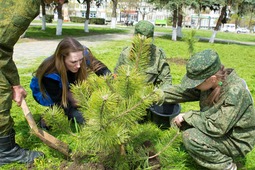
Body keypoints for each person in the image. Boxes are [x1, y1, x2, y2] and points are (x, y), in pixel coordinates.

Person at [159, 49, 255, 169]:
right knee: (181, 124)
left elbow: (218, 127)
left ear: (212, 78)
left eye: (196, 82)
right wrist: (155, 95)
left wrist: (187, 116)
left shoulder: (235, 91)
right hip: (222, 129)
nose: (194, 85)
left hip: (236, 139)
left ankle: (227, 166)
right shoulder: (215, 83)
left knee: (191, 136)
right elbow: (182, 92)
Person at [0, 0, 61, 166]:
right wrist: (12, 84)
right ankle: (6, 152)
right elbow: (1, 47)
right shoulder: (26, 4)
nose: (62, 2)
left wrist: (15, 83)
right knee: (1, 92)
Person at [30, 37, 111, 126]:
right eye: (73, 62)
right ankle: (47, 117)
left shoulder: (79, 53)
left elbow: (98, 67)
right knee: (72, 103)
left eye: (80, 60)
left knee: (82, 97)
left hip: (68, 81)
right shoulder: (50, 74)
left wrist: (113, 81)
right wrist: (87, 121)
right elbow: (61, 102)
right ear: (62, 59)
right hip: (46, 92)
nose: (79, 65)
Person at [114, 20, 172, 89]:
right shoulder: (125, 53)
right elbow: (116, 76)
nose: (143, 41)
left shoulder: (158, 55)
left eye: (147, 38)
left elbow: (165, 80)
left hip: (147, 97)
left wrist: (157, 96)